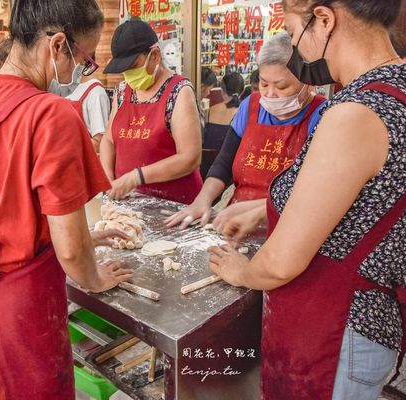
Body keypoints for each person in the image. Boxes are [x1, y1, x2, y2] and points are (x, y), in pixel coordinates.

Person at [207, 1, 406, 399]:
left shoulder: (355, 112)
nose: (297, 51)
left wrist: (241, 271)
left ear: (325, 20)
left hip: (333, 333)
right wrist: (264, 211)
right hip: (370, 322)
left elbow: (280, 263)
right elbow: (358, 208)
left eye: (295, 34)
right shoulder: (396, 88)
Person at [0, 1, 133, 399]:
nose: (84, 69)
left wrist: (86, 239)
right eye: (85, 57)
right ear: (58, 45)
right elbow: (73, 253)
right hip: (20, 323)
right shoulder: (50, 113)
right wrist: (94, 277)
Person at [166, 32, 326, 229]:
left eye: (282, 86)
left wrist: (261, 211)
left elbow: (317, 192)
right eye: (264, 83)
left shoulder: (323, 116)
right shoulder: (250, 106)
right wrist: (203, 199)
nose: (269, 94)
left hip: (289, 229)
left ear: (307, 82)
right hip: (236, 222)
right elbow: (223, 164)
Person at [100, 19, 202, 205]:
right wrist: (106, 177)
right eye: (124, 70)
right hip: (128, 203)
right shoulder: (122, 91)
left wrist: (136, 177)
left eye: (132, 67)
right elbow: (108, 140)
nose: (128, 75)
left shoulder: (179, 91)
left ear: (154, 56)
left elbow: (190, 157)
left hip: (173, 206)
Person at [201, 71, 244, 177]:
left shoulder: (209, 111)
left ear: (222, 90)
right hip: (228, 171)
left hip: (205, 169)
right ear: (242, 91)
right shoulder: (242, 113)